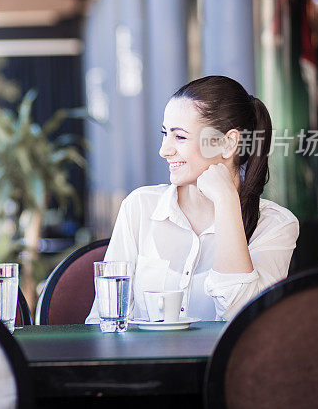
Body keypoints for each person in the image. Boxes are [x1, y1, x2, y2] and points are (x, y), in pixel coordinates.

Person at [87, 75, 299, 322]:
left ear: (228, 143)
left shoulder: (275, 225)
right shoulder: (140, 207)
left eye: (180, 137)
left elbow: (245, 322)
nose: (164, 150)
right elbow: (102, 319)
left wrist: (226, 201)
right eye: (165, 133)